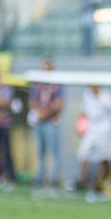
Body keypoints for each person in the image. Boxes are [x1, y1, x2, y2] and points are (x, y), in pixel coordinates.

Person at [76, 85, 111, 193]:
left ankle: (100, 184)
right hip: (91, 129)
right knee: (83, 154)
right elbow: (83, 112)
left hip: (104, 131)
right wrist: (79, 125)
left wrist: (108, 124)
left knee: (103, 158)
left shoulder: (107, 98)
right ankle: (82, 182)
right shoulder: (87, 95)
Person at [29, 58, 64, 187]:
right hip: (39, 122)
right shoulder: (38, 84)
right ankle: (40, 177)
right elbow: (32, 101)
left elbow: (59, 104)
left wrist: (45, 113)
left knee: (53, 151)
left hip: (51, 121)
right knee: (40, 151)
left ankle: (54, 178)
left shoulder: (57, 84)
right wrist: (38, 113)